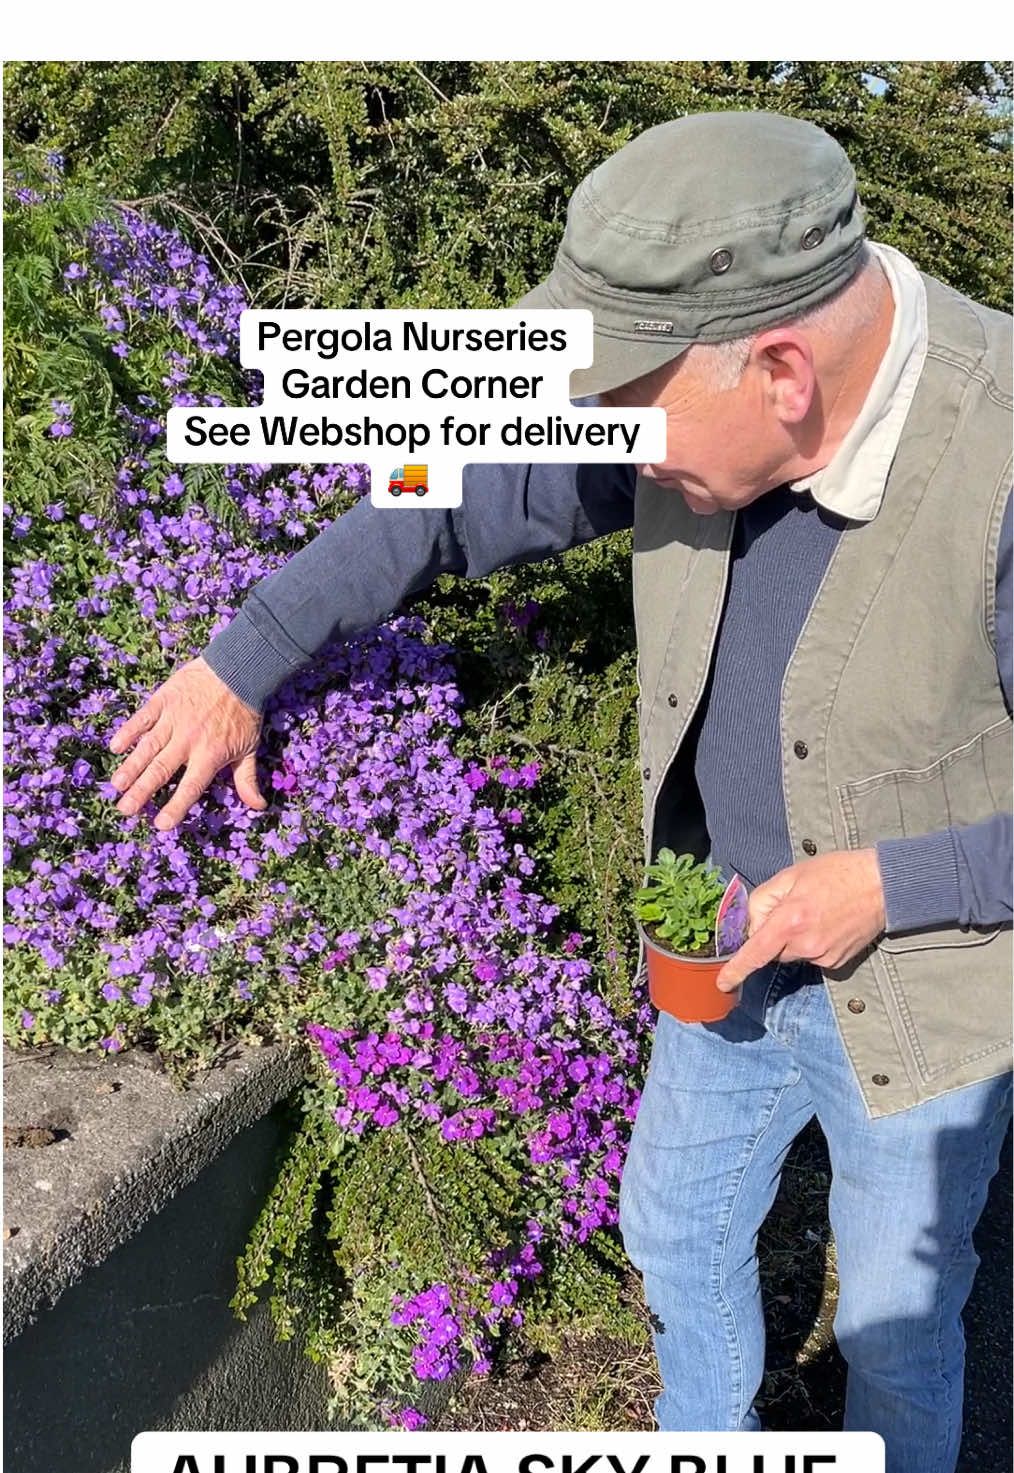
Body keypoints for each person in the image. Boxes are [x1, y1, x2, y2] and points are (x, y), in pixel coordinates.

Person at [106, 111, 1012, 1470]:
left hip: (932, 994)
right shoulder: (690, 389)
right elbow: (448, 489)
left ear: (778, 371)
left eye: (624, 412)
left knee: (894, 1317)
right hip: (714, 952)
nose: (603, 440)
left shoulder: (993, 460)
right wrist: (247, 655)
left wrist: (892, 880)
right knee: (675, 1232)